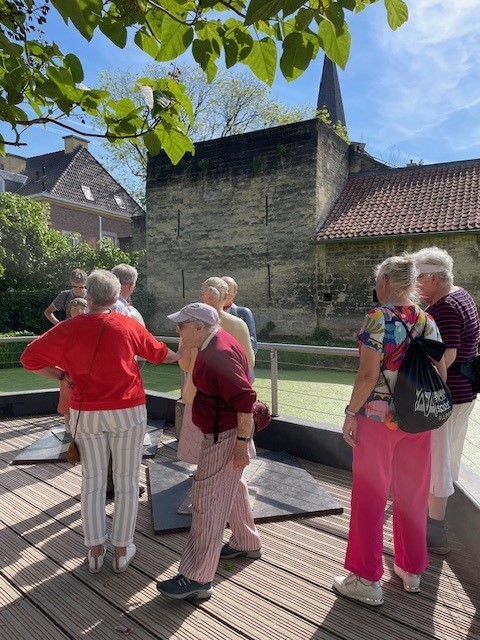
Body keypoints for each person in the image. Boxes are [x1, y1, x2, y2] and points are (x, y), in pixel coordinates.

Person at [21, 269, 182, 574]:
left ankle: (95, 549)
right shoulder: (126, 324)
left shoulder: (68, 328)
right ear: (117, 296)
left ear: (88, 295)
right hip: (128, 411)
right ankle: (121, 550)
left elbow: (29, 358)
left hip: (86, 413)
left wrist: (62, 375)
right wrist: (185, 350)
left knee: (92, 481)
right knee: (126, 481)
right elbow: (162, 355)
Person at [332, 255, 447, 606]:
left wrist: (351, 413)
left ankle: (366, 579)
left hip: (378, 420)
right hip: (417, 421)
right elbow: (441, 370)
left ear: (384, 281)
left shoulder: (378, 318)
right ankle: (411, 570)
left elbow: (368, 374)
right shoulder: (426, 319)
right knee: (412, 495)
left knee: (371, 496)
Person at [156, 302, 262, 600]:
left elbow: (245, 398)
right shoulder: (213, 343)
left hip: (223, 436)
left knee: (205, 501)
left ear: (199, 326)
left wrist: (240, 444)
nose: (177, 330)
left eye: (182, 325)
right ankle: (246, 542)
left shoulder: (218, 353)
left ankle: (197, 577)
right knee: (233, 486)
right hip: (222, 432)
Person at [413, 247, 480, 554]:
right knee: (448, 461)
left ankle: (435, 533)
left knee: (437, 464)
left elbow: (447, 356)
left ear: (435, 278)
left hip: (445, 398)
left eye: (418, 277)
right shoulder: (462, 295)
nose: (415, 283)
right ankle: (437, 524)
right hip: (463, 392)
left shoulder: (445, 307)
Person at [200, 277, 255, 374]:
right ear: (225, 295)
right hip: (231, 375)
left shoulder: (243, 313)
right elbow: (249, 361)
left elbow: (252, 343)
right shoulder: (239, 324)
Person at [57, 297, 88, 433]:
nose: (79, 311)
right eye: (75, 309)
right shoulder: (65, 327)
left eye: (82, 308)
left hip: (85, 366)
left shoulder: (91, 326)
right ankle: (68, 423)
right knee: (67, 395)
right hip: (68, 366)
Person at [221, 276, 258, 354]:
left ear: (234, 292)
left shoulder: (243, 313)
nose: (225, 293)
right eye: (221, 289)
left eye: (228, 290)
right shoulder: (209, 313)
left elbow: (252, 343)